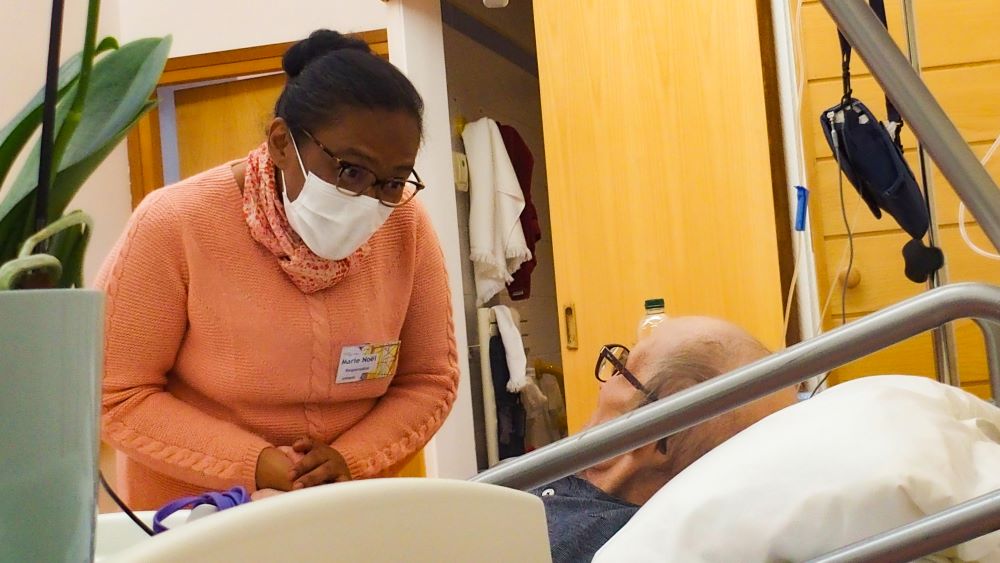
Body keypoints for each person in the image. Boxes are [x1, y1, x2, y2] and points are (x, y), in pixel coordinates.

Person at [97, 29, 459, 510]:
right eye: (350, 171)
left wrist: (350, 459)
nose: (371, 200)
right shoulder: (175, 223)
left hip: (344, 507)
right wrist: (255, 463)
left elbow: (429, 380)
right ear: (282, 142)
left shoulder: (405, 227)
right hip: (196, 517)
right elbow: (116, 394)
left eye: (393, 181)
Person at [532, 316, 797, 563]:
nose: (604, 384)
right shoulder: (550, 480)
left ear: (653, 434)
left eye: (622, 369)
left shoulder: (593, 540)